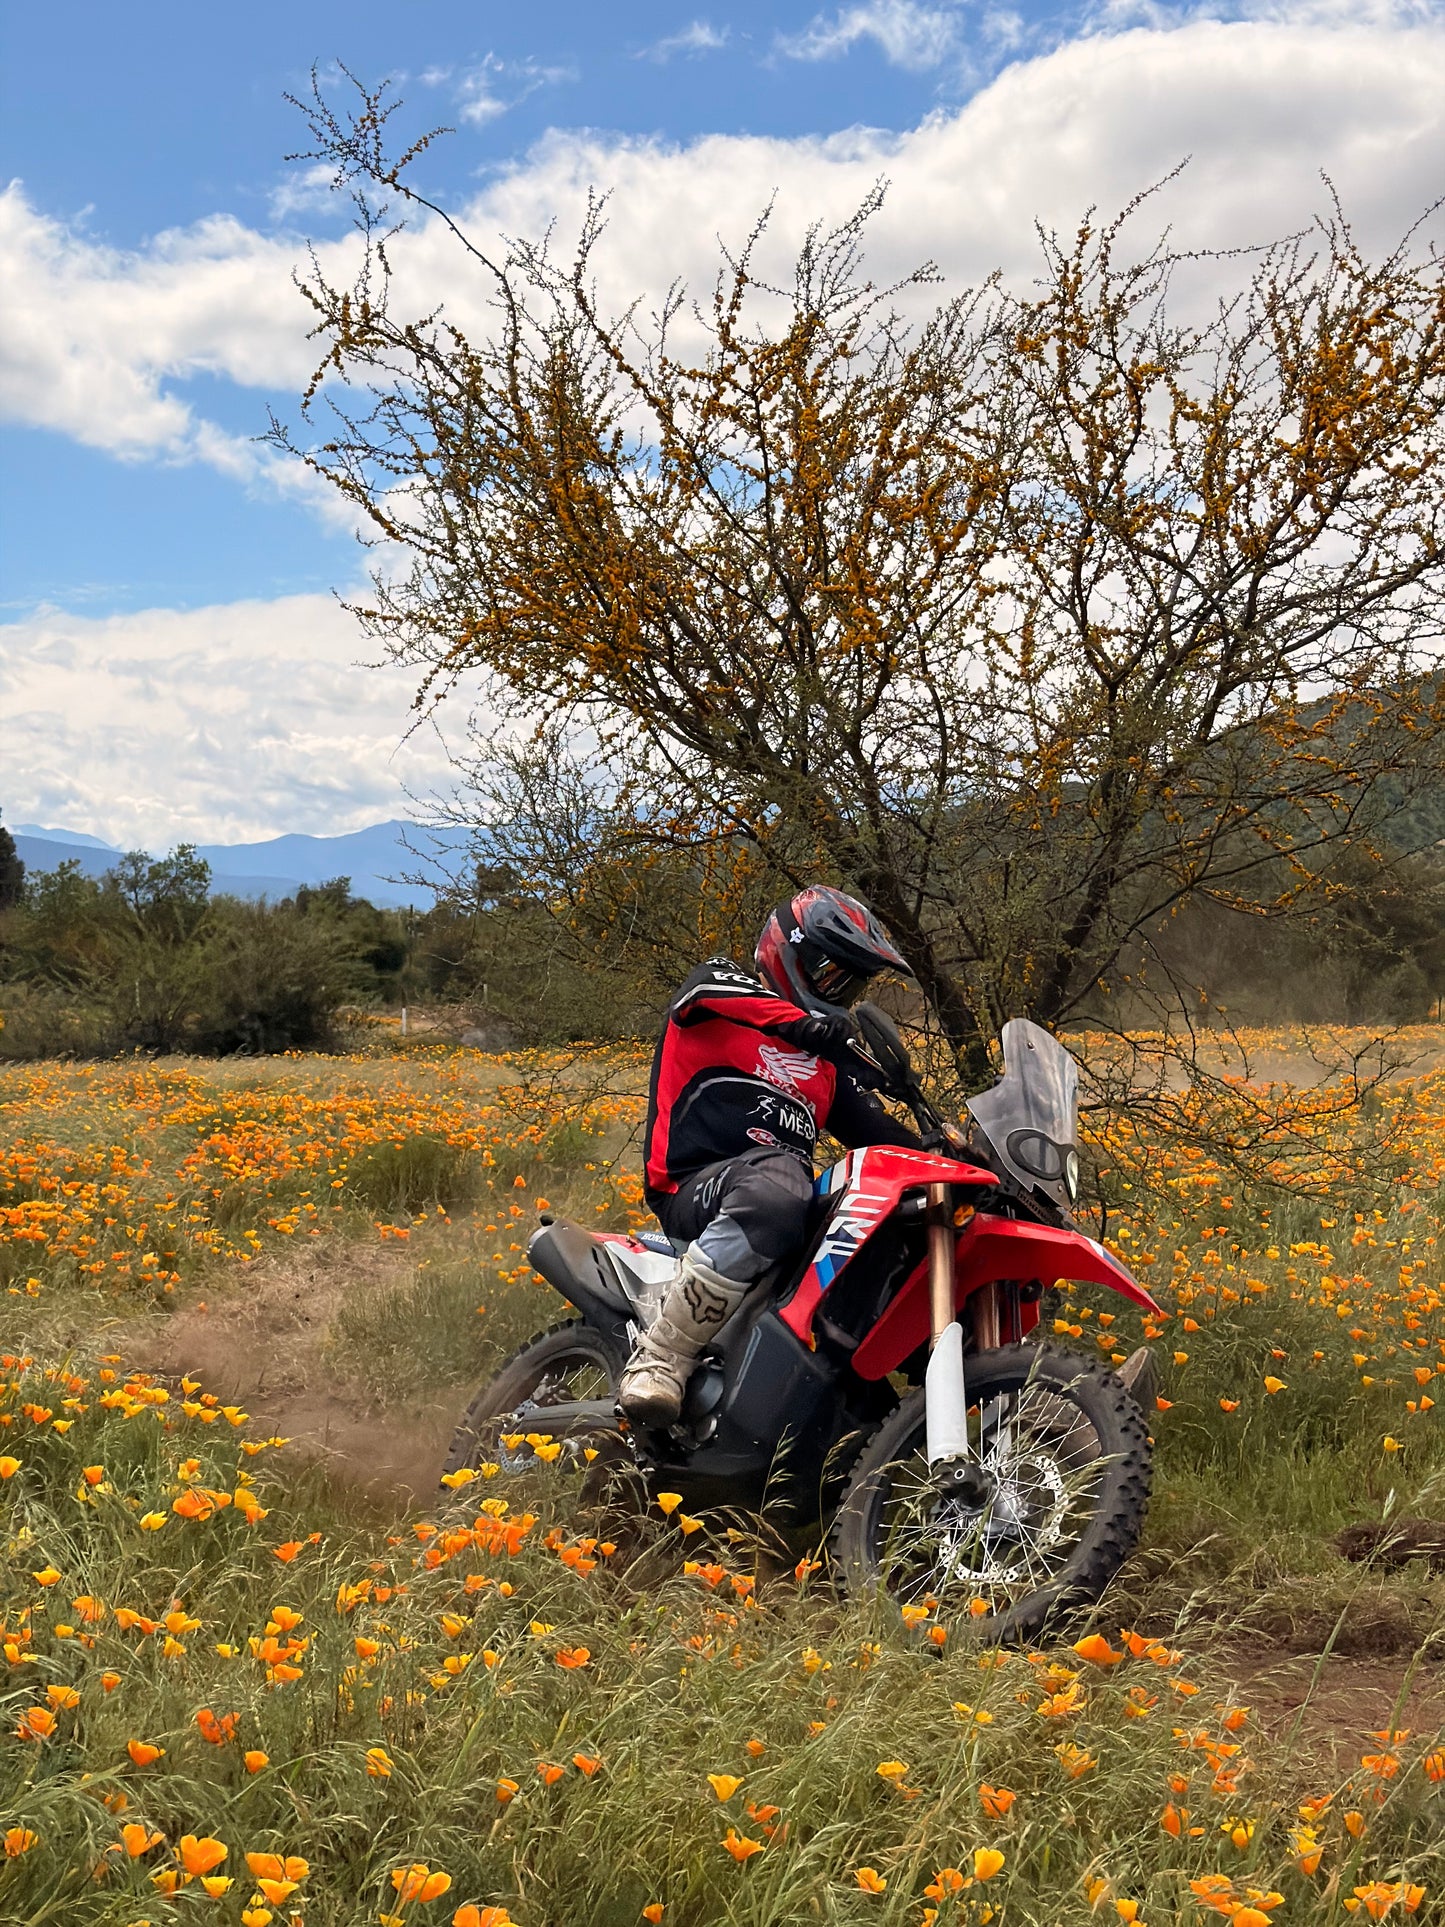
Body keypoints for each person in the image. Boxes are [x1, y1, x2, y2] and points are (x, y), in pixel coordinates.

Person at [618, 885, 921, 1425]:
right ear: (788, 954)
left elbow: (884, 1138)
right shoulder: (715, 994)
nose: (838, 992)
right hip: (694, 1187)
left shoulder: (824, 1068)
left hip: (775, 1209)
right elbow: (709, 990)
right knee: (781, 1180)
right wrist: (803, 1026)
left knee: (886, 1228)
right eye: (829, 973)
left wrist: (957, 1157)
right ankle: (662, 1354)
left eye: (849, 984)